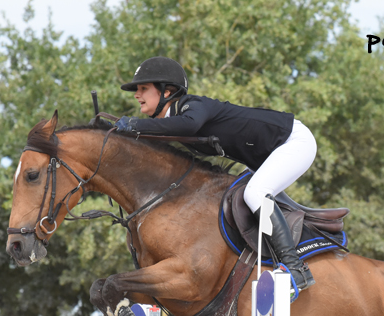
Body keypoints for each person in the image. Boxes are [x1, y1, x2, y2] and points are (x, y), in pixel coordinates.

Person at [116, 56, 316, 292]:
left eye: (143, 89)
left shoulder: (194, 106)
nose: (137, 95)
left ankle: (295, 269)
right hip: (266, 155)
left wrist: (135, 125)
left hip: (294, 141)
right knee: (238, 195)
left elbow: (187, 126)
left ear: (167, 92)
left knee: (255, 193)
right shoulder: (173, 121)